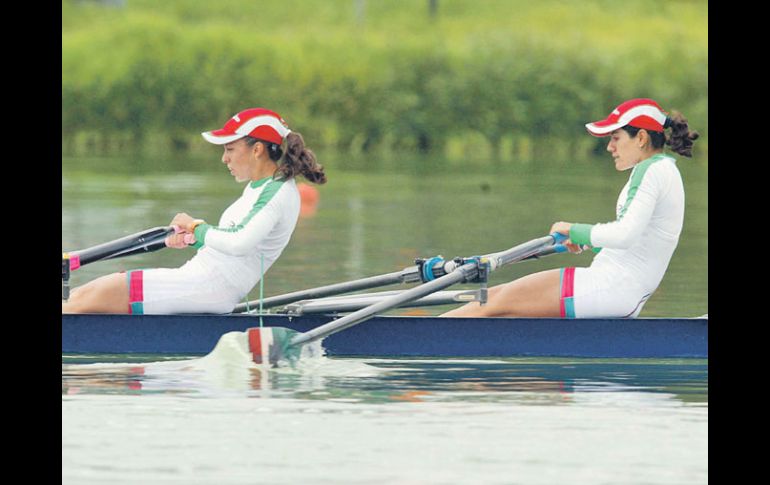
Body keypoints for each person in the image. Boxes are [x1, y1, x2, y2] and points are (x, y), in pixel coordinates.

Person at [442, 98, 699, 319]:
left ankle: (412, 339)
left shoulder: (651, 171)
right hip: (615, 289)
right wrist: (588, 243)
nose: (610, 147)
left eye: (615, 138)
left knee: (490, 303)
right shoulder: (664, 171)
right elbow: (641, 242)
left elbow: (625, 235)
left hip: (610, 287)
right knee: (491, 299)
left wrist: (573, 229)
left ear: (641, 138)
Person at [63, 107, 327, 314]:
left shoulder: (277, 192)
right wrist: (192, 239)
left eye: (230, 149)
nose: (224, 158)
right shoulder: (263, 187)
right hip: (202, 282)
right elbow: (236, 242)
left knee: (83, 299)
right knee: (79, 299)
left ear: (257, 149)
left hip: (209, 287)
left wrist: (197, 229)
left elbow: (239, 243)